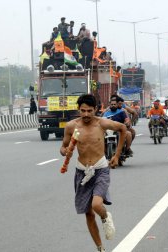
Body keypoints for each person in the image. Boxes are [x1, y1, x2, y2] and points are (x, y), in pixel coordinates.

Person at [60, 94, 126, 252]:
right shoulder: (71, 126)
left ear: (95, 109)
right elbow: (63, 147)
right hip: (82, 172)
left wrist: (116, 156)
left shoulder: (101, 123)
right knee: (88, 213)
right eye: (83, 111)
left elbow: (123, 129)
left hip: (100, 169)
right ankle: (100, 248)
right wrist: (66, 151)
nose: (86, 114)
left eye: (89, 111)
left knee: (97, 205)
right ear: (79, 109)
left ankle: (105, 216)